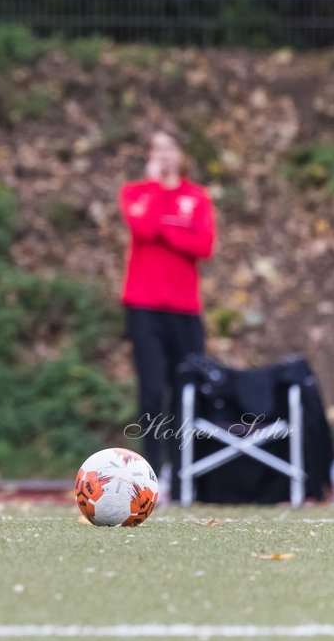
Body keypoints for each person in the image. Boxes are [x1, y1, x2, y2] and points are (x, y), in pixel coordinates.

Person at [119, 127, 215, 487]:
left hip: (185, 309)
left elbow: (203, 245)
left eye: (169, 148)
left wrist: (167, 229)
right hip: (143, 306)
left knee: (186, 388)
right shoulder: (136, 192)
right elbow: (143, 229)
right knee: (151, 388)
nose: (162, 155)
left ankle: (183, 472)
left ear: (181, 153)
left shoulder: (197, 196)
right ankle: (150, 474)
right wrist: (159, 195)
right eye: (156, 148)